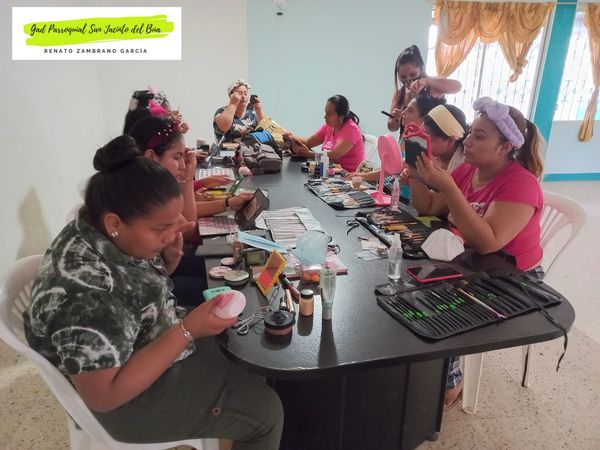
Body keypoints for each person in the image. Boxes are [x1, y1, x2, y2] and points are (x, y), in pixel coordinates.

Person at [23, 136, 283, 449]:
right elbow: (104, 395)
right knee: (266, 413)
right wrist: (187, 330)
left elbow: (130, 295)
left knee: (246, 346)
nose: (174, 235)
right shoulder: (85, 293)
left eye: (175, 224)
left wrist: (168, 263)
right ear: (115, 222)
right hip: (127, 401)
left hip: (144, 343)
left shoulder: (98, 226)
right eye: (161, 229)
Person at [409, 98, 545, 408]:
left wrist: (449, 188)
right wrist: (416, 174)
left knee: (441, 299)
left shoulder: (521, 185)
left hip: (518, 279)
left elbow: (488, 242)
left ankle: (451, 383)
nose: (468, 141)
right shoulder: (467, 171)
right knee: (411, 281)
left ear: (505, 147)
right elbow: (428, 207)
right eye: (471, 132)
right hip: (475, 263)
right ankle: (423, 364)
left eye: (479, 136)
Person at [128, 116, 253, 221]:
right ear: (151, 156)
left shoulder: (149, 185)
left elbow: (182, 209)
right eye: (177, 157)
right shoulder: (144, 199)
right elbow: (188, 220)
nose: (182, 165)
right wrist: (188, 177)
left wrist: (202, 184)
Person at [346, 93, 446, 182]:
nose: (403, 112)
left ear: (423, 119)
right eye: (405, 108)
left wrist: (363, 176)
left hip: (403, 195)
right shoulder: (408, 136)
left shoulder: (420, 143)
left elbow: (394, 167)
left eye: (410, 111)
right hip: (390, 186)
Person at [387, 45, 461, 135]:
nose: (408, 79)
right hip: (407, 140)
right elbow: (391, 127)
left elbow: (457, 87)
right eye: (403, 76)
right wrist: (395, 119)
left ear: (422, 69)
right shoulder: (400, 93)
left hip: (433, 140)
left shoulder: (432, 86)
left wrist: (427, 81)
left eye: (413, 74)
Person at [287, 95, 364, 172]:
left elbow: (334, 155)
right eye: (325, 113)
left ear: (341, 117)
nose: (325, 117)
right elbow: (309, 142)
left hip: (348, 175)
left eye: (329, 114)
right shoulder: (329, 126)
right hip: (330, 171)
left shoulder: (351, 130)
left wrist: (309, 154)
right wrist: (290, 137)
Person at [423, 104, 469, 172]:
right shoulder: (433, 157)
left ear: (450, 141)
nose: (421, 142)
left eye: (427, 139)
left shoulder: (465, 168)